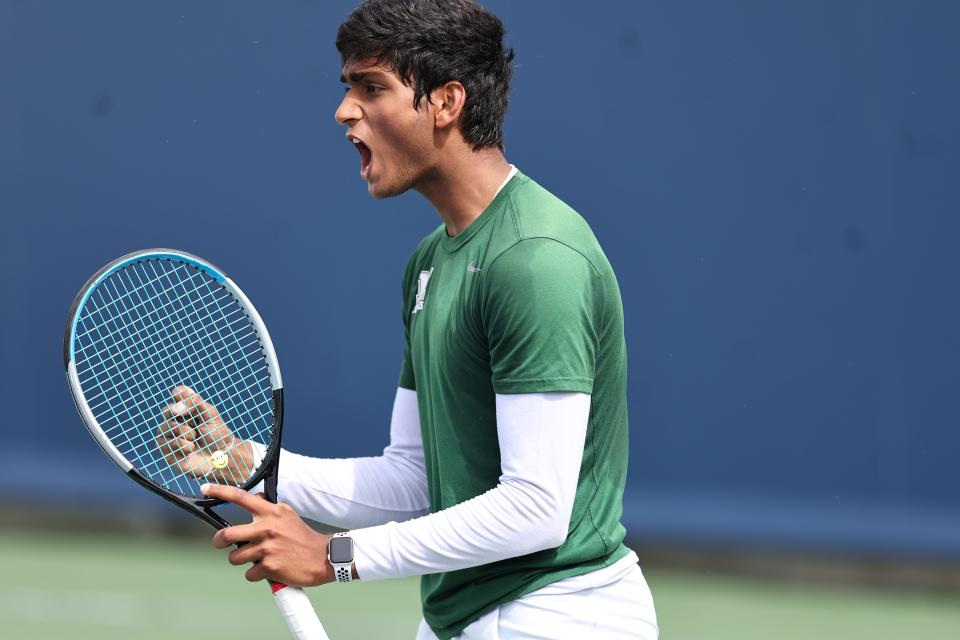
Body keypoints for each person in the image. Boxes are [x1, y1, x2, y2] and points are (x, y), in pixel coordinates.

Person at [157, 1, 658, 637]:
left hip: (555, 616)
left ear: (446, 103)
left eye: (372, 89)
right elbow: (417, 478)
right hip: (462, 616)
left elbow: (536, 509)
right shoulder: (430, 261)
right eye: (348, 89)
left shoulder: (536, 261)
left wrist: (334, 557)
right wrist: (241, 458)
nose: (345, 112)